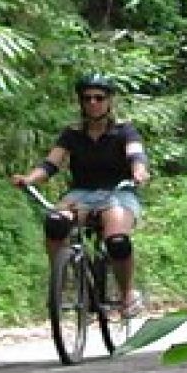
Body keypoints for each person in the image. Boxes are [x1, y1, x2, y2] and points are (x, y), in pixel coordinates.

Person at [10, 74, 152, 316]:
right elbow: (51, 164)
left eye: (99, 97)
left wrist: (139, 171)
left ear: (109, 101)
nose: (93, 103)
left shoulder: (124, 131)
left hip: (118, 192)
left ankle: (127, 293)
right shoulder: (72, 133)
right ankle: (63, 280)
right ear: (81, 102)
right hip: (81, 195)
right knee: (55, 222)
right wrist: (29, 179)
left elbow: (136, 156)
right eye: (87, 98)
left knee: (117, 241)